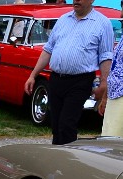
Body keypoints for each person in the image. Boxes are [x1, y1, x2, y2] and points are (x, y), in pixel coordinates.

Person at [23, 0, 113, 145]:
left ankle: (68, 161)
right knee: (56, 123)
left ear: (91, 0)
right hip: (56, 79)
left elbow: (105, 56)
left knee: (67, 124)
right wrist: (33, 75)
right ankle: (57, 159)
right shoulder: (63, 20)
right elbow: (48, 49)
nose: (76, 0)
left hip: (80, 81)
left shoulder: (102, 23)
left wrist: (104, 83)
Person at [98, 34, 123, 136]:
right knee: (109, 138)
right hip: (114, 94)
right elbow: (114, 69)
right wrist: (105, 97)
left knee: (115, 139)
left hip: (121, 94)